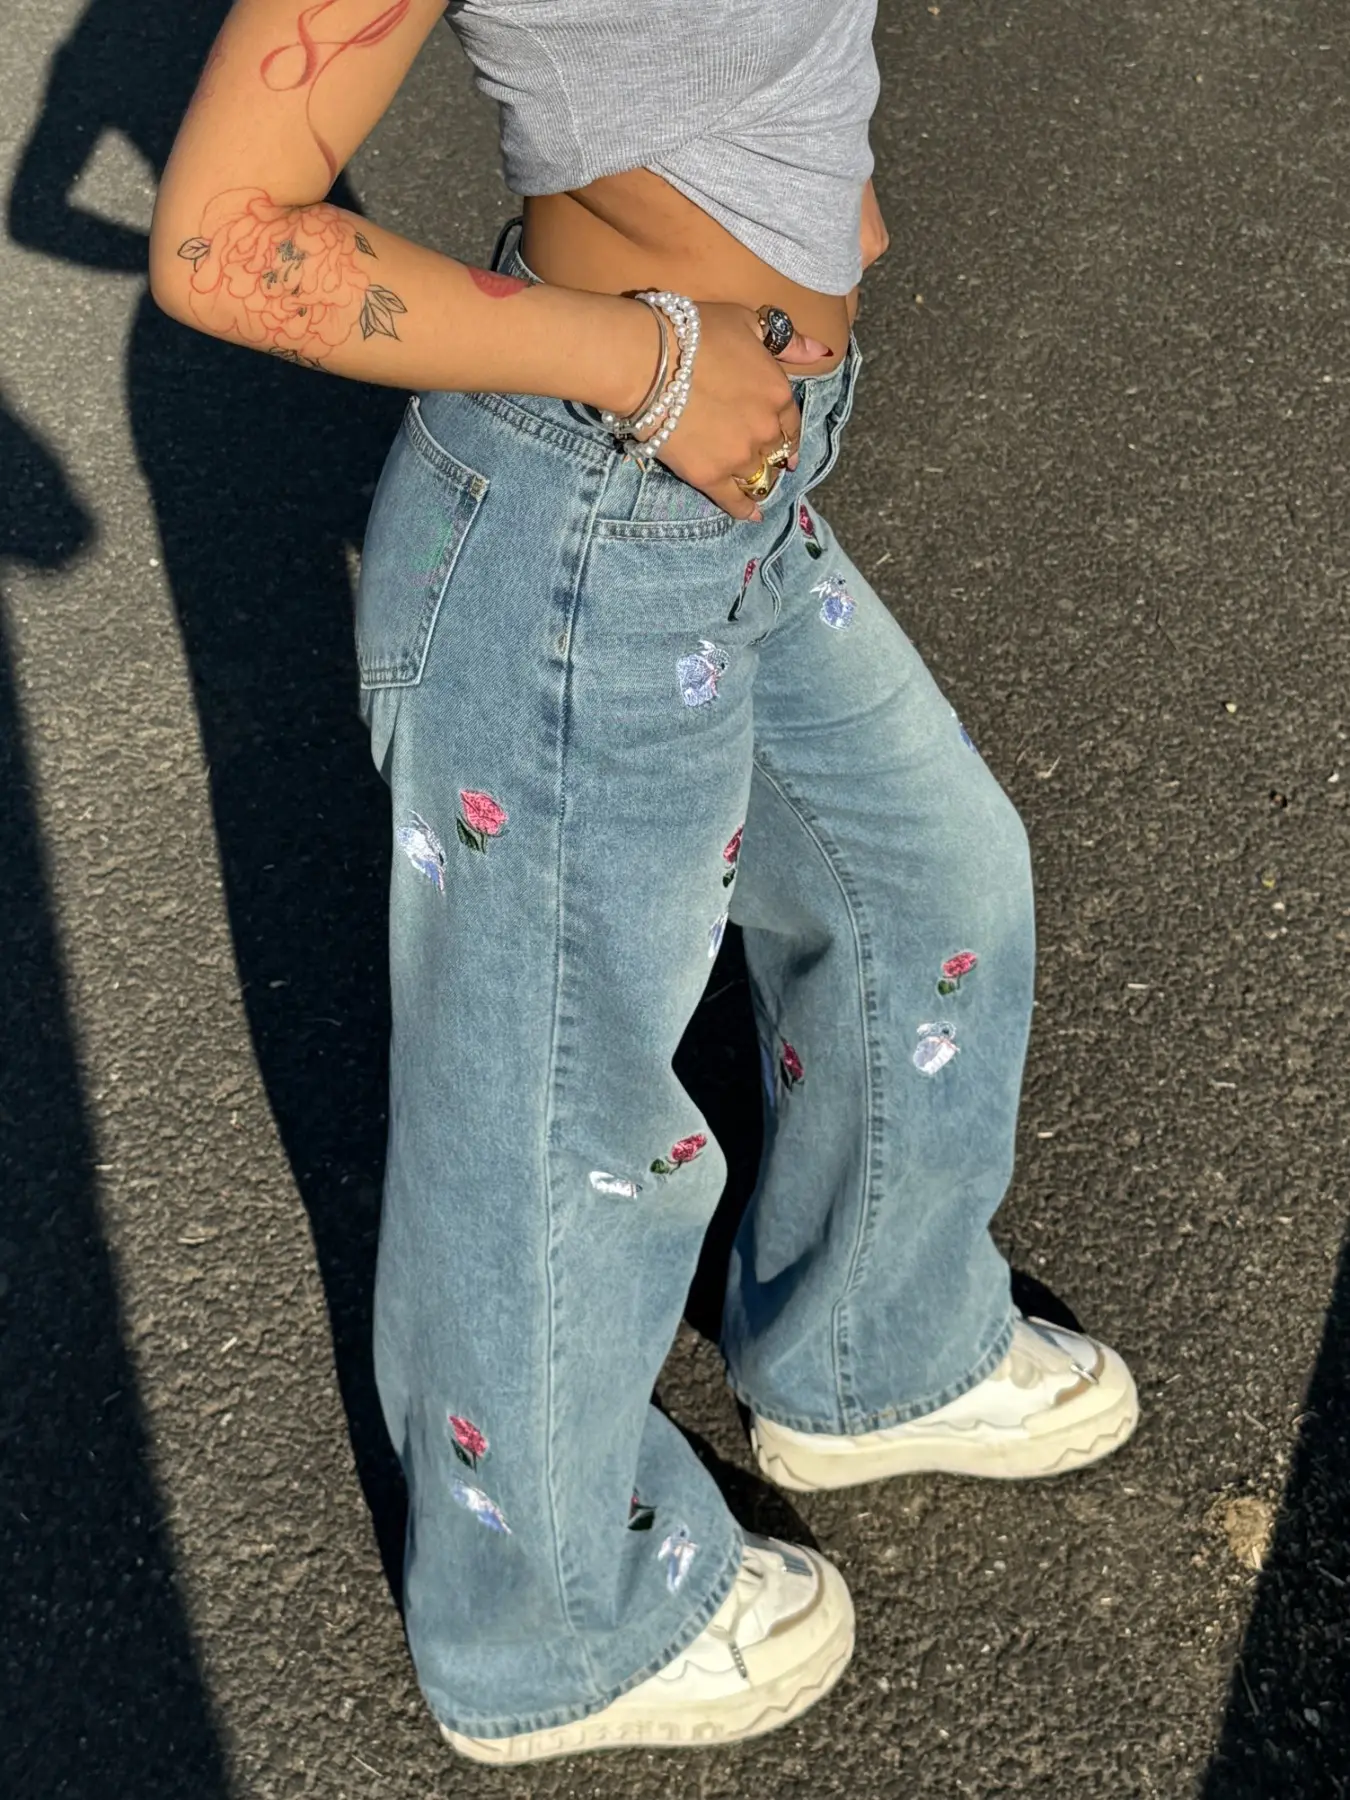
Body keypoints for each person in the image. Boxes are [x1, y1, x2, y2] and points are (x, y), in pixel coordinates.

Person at [149, 0, 1139, 1765]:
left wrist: (815, 186)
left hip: (732, 481)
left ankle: (872, 1352)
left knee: (928, 883)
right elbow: (220, 242)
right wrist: (645, 360)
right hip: (590, 514)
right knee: (561, 1114)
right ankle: (544, 1635)